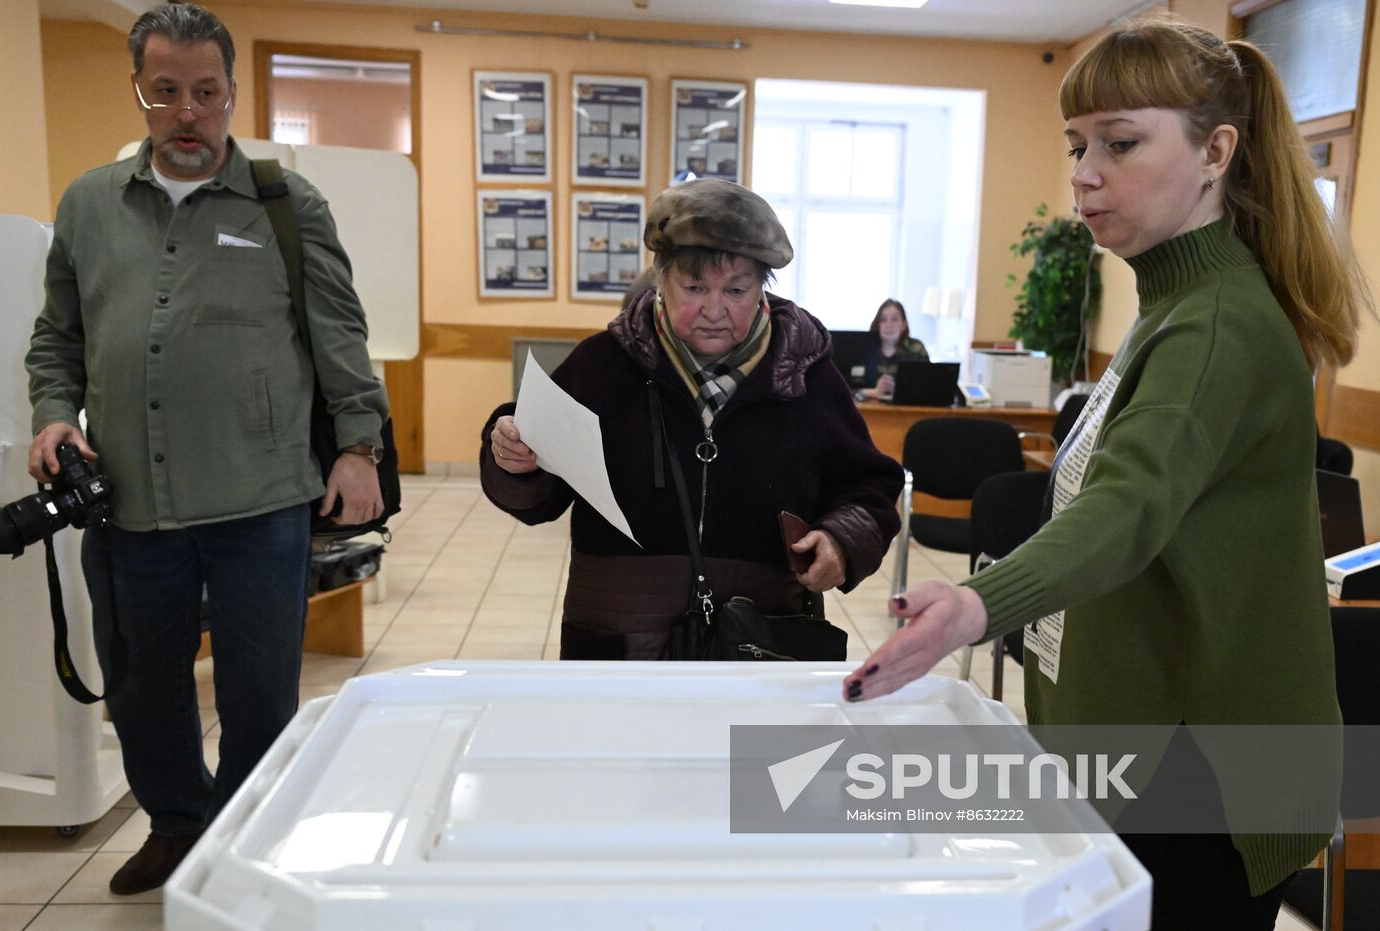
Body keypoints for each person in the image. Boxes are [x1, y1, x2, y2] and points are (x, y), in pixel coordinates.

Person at [845, 17, 1372, 930]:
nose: (1085, 173)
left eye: (1120, 144)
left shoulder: (1213, 323)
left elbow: (1129, 507)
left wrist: (977, 603)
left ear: (1216, 152)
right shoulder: (1172, 301)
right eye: (1077, 144)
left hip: (1199, 764)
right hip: (1137, 744)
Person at [25, 3, 388, 895]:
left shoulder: (284, 204)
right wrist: (53, 410)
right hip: (130, 500)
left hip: (260, 498)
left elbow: (338, 331)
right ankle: (178, 827)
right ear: (140, 93)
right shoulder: (87, 205)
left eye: (207, 92)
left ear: (232, 93)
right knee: (142, 686)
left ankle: (245, 836)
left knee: (260, 691)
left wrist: (359, 447)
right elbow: (56, 337)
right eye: (166, 92)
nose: (188, 112)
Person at [482, 179, 903, 659]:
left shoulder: (804, 373)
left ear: (763, 288)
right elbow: (536, 496)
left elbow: (870, 488)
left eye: (737, 290)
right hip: (620, 641)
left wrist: (841, 543)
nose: (715, 310)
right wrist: (513, 456)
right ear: (661, 279)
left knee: (748, 739)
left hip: (761, 643)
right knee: (615, 738)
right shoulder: (604, 364)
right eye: (694, 287)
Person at [867, 298, 928, 396]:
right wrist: (875, 392)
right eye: (883, 320)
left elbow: (927, 385)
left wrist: (899, 390)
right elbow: (849, 388)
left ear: (903, 325)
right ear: (877, 324)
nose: (889, 325)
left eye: (894, 319)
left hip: (907, 408)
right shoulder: (865, 348)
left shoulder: (916, 348)